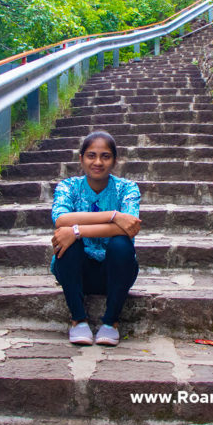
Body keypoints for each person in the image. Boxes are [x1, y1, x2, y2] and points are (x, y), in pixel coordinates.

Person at [50, 130, 142, 346]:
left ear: (114, 161)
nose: (98, 162)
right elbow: (61, 219)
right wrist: (113, 216)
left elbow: (130, 227)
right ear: (81, 158)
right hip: (76, 272)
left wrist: (76, 230)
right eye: (91, 155)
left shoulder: (127, 188)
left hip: (117, 272)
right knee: (68, 244)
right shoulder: (68, 186)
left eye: (105, 156)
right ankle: (78, 320)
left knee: (120, 244)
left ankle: (111, 323)